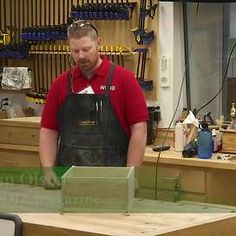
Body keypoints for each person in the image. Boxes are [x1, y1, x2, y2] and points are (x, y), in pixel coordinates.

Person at [39, 20, 148, 189]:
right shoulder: (61, 84)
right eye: (75, 51)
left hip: (114, 182)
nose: (81, 56)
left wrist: (131, 173)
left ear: (98, 43)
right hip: (69, 181)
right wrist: (47, 170)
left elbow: (139, 129)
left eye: (86, 49)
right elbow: (48, 130)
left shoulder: (124, 80)